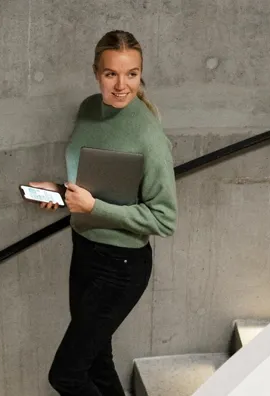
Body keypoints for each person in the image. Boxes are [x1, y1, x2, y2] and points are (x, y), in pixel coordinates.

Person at [29, 30, 177, 396]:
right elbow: (97, 180)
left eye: (132, 74)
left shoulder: (149, 136)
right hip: (84, 250)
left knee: (66, 375)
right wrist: (61, 192)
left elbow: (164, 218)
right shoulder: (87, 110)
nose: (122, 85)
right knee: (97, 362)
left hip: (122, 267)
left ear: (141, 74)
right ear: (97, 72)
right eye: (111, 73)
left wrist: (94, 207)